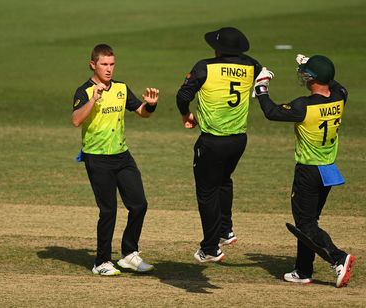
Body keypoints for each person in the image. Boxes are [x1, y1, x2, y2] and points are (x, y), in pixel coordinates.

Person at [253, 54, 355, 287]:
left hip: (309, 171)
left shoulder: (304, 106)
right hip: (328, 169)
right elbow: (337, 84)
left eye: (307, 73)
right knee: (309, 222)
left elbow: (271, 112)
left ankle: (339, 257)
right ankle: (302, 270)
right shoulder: (340, 96)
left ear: (314, 78)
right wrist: (309, 64)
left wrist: (261, 89)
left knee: (306, 224)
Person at [176, 27, 262, 263]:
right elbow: (263, 70)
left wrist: (186, 115)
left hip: (213, 141)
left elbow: (183, 96)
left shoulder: (205, 66)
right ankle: (226, 230)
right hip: (238, 141)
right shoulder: (251, 67)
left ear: (218, 48)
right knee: (224, 181)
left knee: (206, 192)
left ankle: (210, 248)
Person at [72, 43, 158, 275]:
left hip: (122, 155)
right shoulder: (84, 91)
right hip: (97, 157)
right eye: (104, 64)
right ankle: (101, 262)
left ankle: (129, 254)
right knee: (108, 211)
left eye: (112, 64)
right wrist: (94, 100)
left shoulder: (120, 88)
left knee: (139, 204)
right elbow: (76, 120)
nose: (109, 69)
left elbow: (141, 112)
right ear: (93, 65)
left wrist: (151, 105)